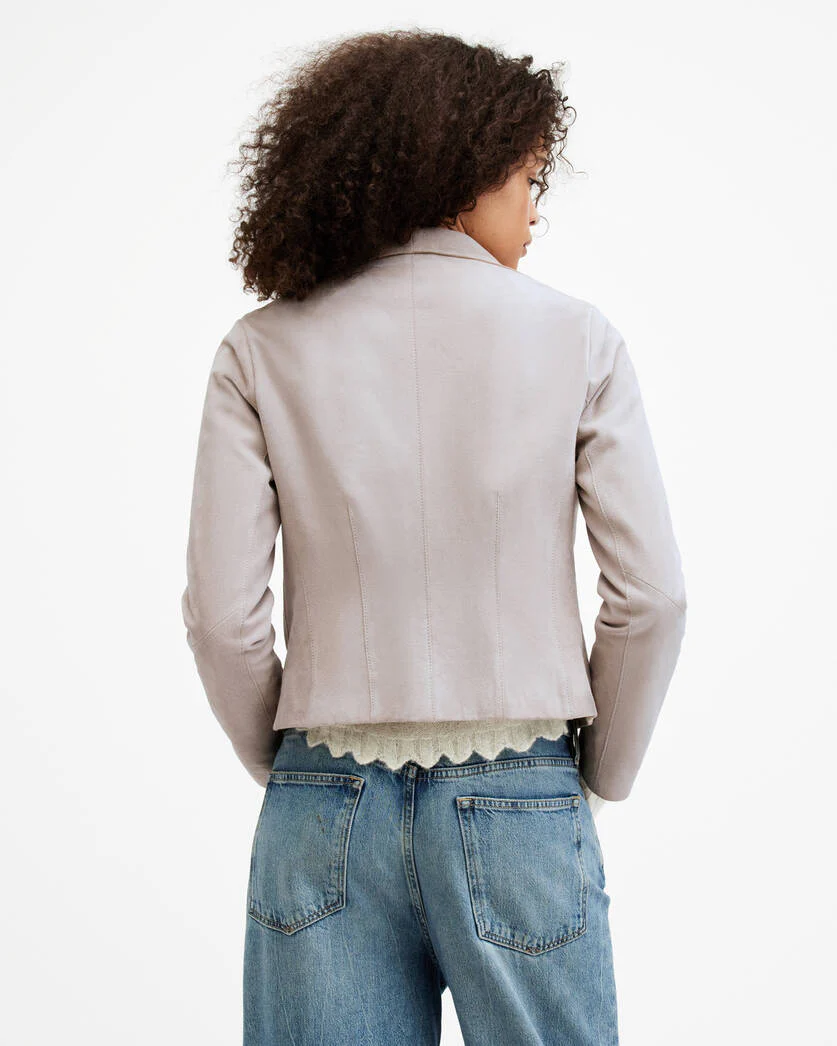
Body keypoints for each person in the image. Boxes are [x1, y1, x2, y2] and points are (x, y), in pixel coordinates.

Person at [180, 29, 687, 1046]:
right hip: (521, 791)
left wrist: (291, 762)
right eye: (528, 179)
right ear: (460, 173)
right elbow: (650, 599)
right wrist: (598, 772)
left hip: (321, 797)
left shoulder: (259, 349)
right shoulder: (578, 338)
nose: (535, 210)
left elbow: (224, 619)